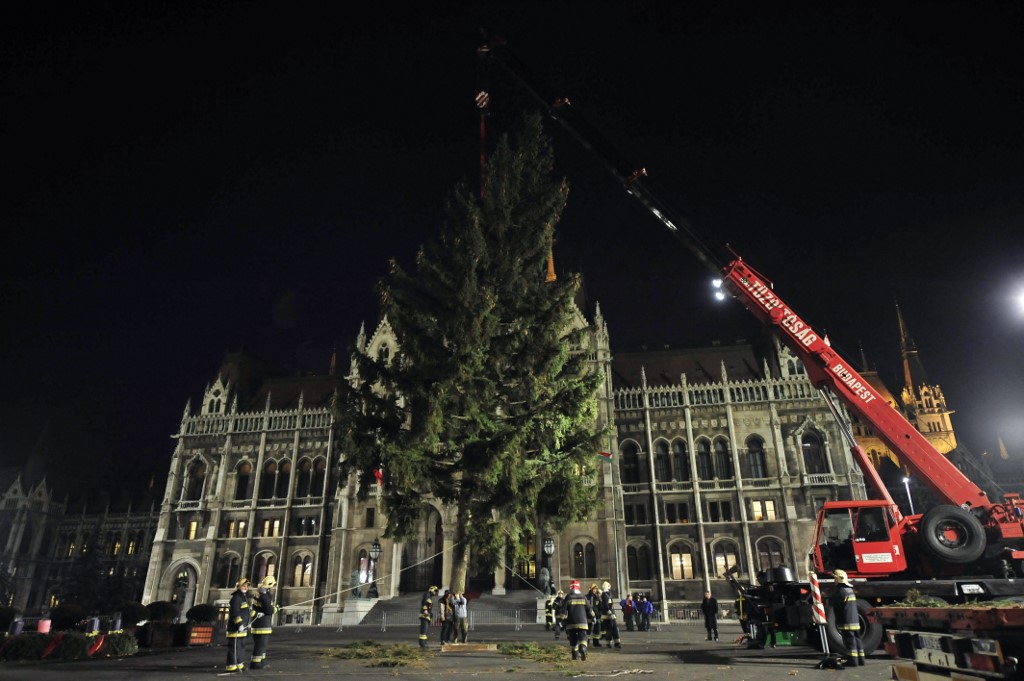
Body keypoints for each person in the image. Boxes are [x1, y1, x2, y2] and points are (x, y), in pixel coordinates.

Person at [831, 569, 865, 665]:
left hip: (847, 621)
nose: (834, 580)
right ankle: (861, 660)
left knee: (849, 641)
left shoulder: (841, 591)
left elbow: (833, 603)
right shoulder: (849, 590)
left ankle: (853, 660)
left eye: (835, 578)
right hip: (855, 620)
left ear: (838, 579)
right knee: (857, 640)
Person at [561, 579, 595, 661]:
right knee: (583, 637)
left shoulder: (568, 597)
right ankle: (582, 648)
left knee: (573, 639)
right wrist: (593, 617)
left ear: (571, 588)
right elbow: (589, 609)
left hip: (571, 623)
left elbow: (564, 611)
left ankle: (575, 655)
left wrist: (563, 621)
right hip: (582, 622)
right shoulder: (583, 597)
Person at [225, 577, 253, 673]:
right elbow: (235, 613)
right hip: (235, 629)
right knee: (234, 648)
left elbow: (248, 612)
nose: (245, 587)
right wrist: (240, 624)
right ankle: (231, 666)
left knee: (241, 647)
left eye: (246, 586)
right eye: (243, 586)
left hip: (243, 628)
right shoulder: (236, 599)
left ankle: (239, 664)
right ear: (238, 587)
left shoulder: (244, 598)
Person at [250, 575, 278, 669]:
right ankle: (256, 663)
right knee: (261, 645)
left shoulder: (257, 595)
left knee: (261, 645)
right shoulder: (265, 597)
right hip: (263, 625)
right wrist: (275, 609)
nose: (273, 587)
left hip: (257, 624)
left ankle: (261, 660)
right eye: (272, 585)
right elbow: (268, 610)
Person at [599, 581, 622, 648]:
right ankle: (609, 643)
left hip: (611, 614)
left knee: (614, 629)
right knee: (609, 629)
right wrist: (609, 613)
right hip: (608, 616)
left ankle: (616, 642)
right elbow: (606, 605)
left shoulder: (607, 594)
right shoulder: (604, 595)